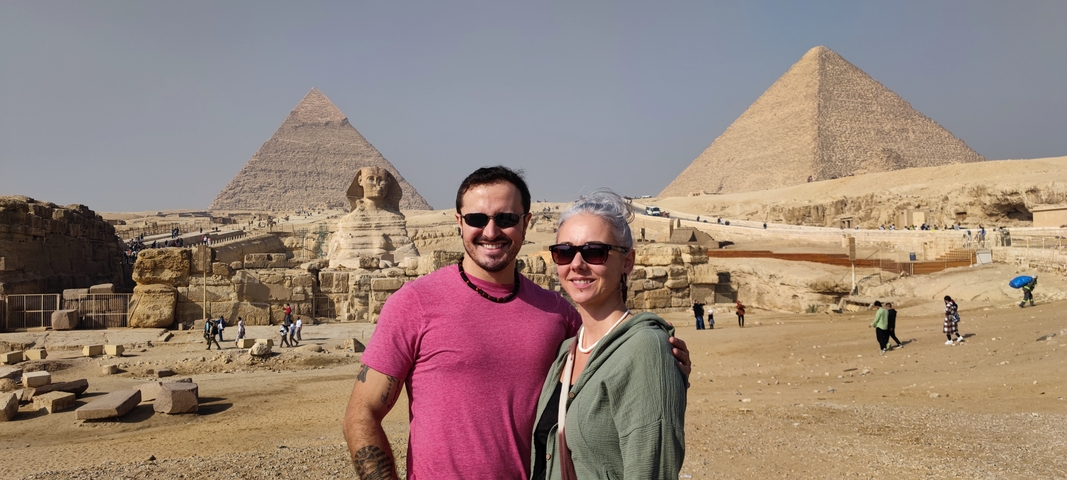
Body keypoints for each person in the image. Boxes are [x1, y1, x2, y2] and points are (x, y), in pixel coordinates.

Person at [343, 166, 691, 479]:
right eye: (477, 219)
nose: (491, 231)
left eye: (506, 219)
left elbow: (613, 367)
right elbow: (361, 413)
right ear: (459, 222)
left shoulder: (559, 314)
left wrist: (660, 360)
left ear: (527, 223)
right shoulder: (414, 303)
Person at [531, 190, 685, 479]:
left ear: (627, 262)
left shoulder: (645, 350)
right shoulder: (566, 352)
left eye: (594, 252)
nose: (576, 264)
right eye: (564, 252)